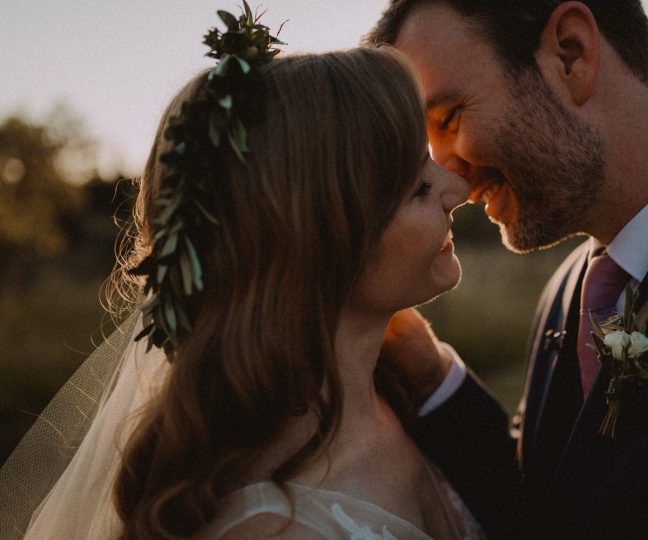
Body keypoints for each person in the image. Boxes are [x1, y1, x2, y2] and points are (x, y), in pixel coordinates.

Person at [0, 8, 484, 539]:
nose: (457, 189)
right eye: (417, 187)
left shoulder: (400, 388)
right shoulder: (271, 531)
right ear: (320, 240)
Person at [366, 1, 648, 538]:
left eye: (452, 117)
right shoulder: (569, 288)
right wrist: (432, 376)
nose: (451, 182)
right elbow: (556, 511)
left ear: (571, 54)